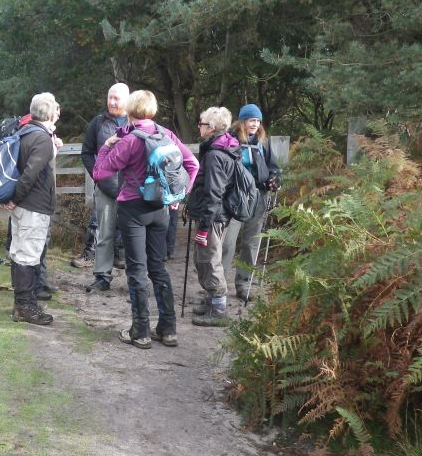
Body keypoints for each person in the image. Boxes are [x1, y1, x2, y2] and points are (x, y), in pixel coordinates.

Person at [92, 90, 199, 348]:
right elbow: (193, 164)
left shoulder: (129, 141)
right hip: (161, 210)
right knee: (158, 268)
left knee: (137, 270)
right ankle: (168, 328)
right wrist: (177, 197)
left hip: (133, 209)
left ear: (130, 111)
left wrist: (107, 147)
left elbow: (99, 172)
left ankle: (140, 330)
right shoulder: (166, 134)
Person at [5, 92, 60, 325]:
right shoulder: (42, 139)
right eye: (56, 109)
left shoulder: (24, 133)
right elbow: (31, 173)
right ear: (49, 113)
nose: (58, 113)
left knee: (18, 254)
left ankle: (21, 305)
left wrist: (13, 200)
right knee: (27, 257)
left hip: (21, 207)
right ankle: (26, 307)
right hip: (33, 207)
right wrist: (16, 198)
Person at [220, 103, 281, 302]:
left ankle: (244, 284)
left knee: (251, 242)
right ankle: (218, 286)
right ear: (242, 121)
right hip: (235, 197)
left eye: (257, 120)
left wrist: (275, 179)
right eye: (251, 120)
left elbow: (273, 167)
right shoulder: (231, 140)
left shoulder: (263, 142)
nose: (254, 124)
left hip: (259, 195)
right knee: (228, 243)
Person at [186, 106, 240, 327]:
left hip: (213, 217)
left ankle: (218, 311)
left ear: (212, 128)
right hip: (215, 215)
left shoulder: (216, 155)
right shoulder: (219, 149)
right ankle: (211, 300)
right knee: (204, 259)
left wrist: (203, 226)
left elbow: (214, 193)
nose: (199, 126)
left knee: (209, 260)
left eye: (202, 123)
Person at [81, 83, 130, 292]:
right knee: (104, 234)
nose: (111, 102)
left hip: (132, 190)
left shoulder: (137, 122)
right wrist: (97, 174)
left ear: (127, 100)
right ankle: (102, 276)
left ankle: (135, 281)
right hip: (106, 188)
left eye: (116, 98)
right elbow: (86, 151)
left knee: (134, 236)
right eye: (109, 97)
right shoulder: (98, 122)